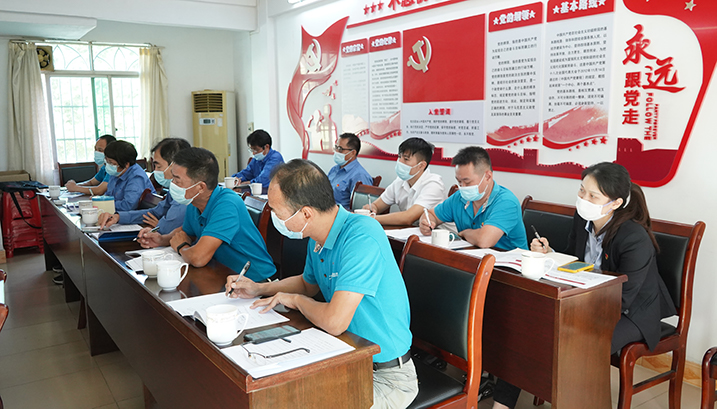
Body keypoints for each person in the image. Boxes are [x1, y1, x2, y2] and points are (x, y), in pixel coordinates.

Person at [226, 159, 418, 408]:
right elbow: (308, 284)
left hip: (385, 376)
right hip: (345, 359)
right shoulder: (318, 236)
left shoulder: (362, 235)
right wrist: (259, 288)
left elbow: (334, 321)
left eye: (276, 212)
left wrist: (295, 301)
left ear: (306, 213)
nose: (273, 217)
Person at [491, 162, 677, 409]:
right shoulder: (583, 218)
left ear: (615, 203)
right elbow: (575, 260)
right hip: (587, 301)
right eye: (582, 191)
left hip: (630, 312)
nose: (583, 199)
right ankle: (502, 405)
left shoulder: (633, 237)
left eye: (593, 196)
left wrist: (575, 314)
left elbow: (624, 296)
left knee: (572, 344)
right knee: (528, 333)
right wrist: (550, 253)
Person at [137, 147, 275, 282]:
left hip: (256, 281)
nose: (172, 184)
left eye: (177, 180)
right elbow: (186, 232)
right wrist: (161, 239)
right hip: (222, 275)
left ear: (201, 187)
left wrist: (181, 247)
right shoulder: (194, 202)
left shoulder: (227, 204)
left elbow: (198, 258)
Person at [419, 146, 527, 250]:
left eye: (467, 182)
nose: (462, 187)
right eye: (459, 182)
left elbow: (485, 240)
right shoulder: (459, 197)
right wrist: (426, 223)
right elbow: (431, 214)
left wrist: (465, 233)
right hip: (472, 257)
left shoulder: (506, 202)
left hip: (506, 261)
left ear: (488, 177)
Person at [97, 138, 190, 234]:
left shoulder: (186, 193)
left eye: (158, 166)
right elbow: (155, 213)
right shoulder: (175, 189)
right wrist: (118, 217)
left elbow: (169, 227)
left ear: (175, 165)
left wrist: (160, 226)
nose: (155, 171)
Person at [363, 137, 444, 226]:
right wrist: (372, 208)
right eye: (399, 157)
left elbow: (408, 218)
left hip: (437, 232)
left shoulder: (434, 184)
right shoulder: (400, 181)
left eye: (406, 159)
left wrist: (372, 218)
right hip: (410, 231)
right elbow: (377, 205)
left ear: (421, 165)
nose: (400, 161)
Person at [103, 140, 155, 211]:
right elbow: (109, 195)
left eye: (111, 163)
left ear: (126, 164)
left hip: (136, 215)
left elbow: (128, 206)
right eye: (106, 161)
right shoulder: (117, 172)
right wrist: (100, 200)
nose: (108, 165)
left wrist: (104, 204)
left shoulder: (136, 178)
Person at [328, 133, 374, 209]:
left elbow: (362, 209)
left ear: (352, 153)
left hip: (343, 214)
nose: (336, 151)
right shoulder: (334, 169)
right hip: (326, 210)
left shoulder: (360, 176)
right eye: (336, 147)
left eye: (340, 149)